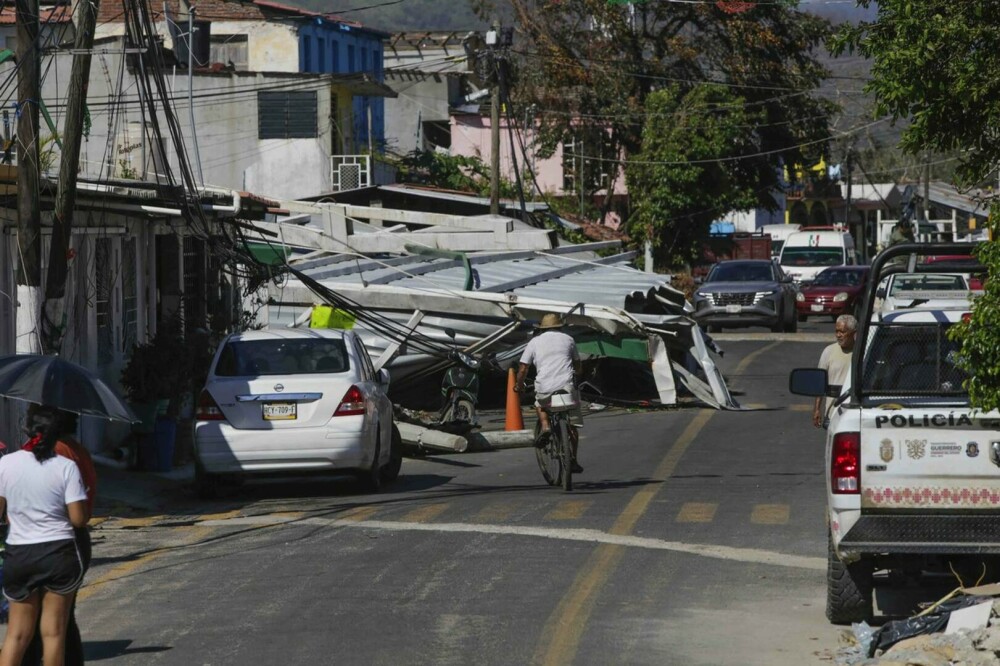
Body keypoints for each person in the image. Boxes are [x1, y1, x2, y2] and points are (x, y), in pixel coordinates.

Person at [0, 409, 90, 666]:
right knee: (53, 634)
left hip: (20, 554)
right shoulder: (66, 466)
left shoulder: (6, 463)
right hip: (59, 554)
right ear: (57, 434)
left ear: (27, 430)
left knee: (16, 636)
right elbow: (78, 520)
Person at [514, 313, 584, 472]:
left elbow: (523, 368)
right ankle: (573, 459)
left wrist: (519, 386)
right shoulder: (568, 339)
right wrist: (577, 374)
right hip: (566, 387)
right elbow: (578, 365)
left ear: (542, 328)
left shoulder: (535, 342)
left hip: (545, 387)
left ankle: (545, 426)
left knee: (540, 403)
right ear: (560, 326)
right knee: (572, 425)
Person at [813, 314, 857, 429]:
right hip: (832, 414)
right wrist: (817, 409)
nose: (838, 335)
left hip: (854, 413)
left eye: (842, 332)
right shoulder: (828, 352)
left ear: (853, 333)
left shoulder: (861, 353)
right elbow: (819, 383)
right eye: (837, 331)